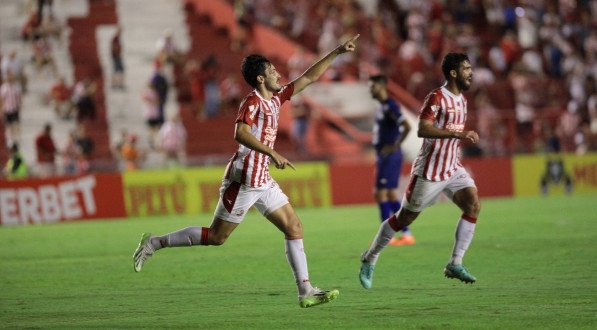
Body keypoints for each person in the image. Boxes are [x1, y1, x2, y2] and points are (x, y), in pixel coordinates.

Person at [133, 34, 360, 308]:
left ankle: (306, 291)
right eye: (272, 71)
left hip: (262, 180)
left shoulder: (276, 99)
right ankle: (155, 243)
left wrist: (336, 52)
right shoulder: (252, 103)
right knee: (217, 237)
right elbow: (239, 133)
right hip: (242, 181)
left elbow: (309, 78)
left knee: (294, 226)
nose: (278, 74)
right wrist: (272, 152)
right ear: (260, 79)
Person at [359, 53, 481, 289]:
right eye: (466, 68)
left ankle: (455, 262)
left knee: (473, 205)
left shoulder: (462, 100)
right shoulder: (436, 97)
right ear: (453, 73)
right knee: (404, 218)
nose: (471, 72)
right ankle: (370, 257)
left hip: (452, 168)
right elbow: (422, 129)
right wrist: (458, 134)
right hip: (430, 172)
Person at [368, 74, 414, 246]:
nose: (370, 90)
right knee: (390, 194)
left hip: (390, 155)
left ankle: (387, 236)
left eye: (372, 86)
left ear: (381, 86)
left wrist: (395, 145)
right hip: (383, 155)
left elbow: (407, 127)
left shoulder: (391, 106)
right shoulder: (381, 107)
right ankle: (406, 233)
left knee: (380, 193)